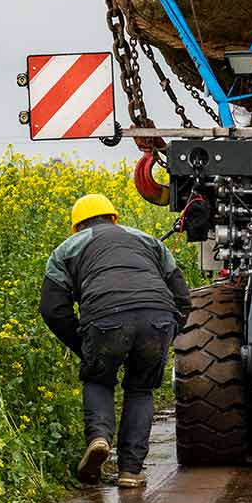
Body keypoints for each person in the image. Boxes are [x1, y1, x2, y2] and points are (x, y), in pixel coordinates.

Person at [40, 192, 192, 488]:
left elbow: (52, 309)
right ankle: (130, 472)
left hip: (105, 318)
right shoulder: (148, 240)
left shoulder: (66, 249)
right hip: (157, 317)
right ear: (113, 218)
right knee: (140, 389)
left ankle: (99, 438)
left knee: (99, 380)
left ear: (76, 227)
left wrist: (82, 345)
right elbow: (182, 298)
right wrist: (169, 332)